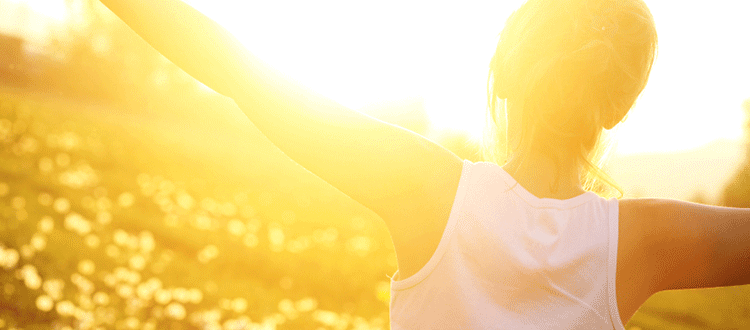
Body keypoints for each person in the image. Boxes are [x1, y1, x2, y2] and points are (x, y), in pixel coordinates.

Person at [98, 0, 750, 328]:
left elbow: (233, 67)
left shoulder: (426, 185)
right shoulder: (646, 242)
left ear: (506, 73)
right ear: (619, 106)